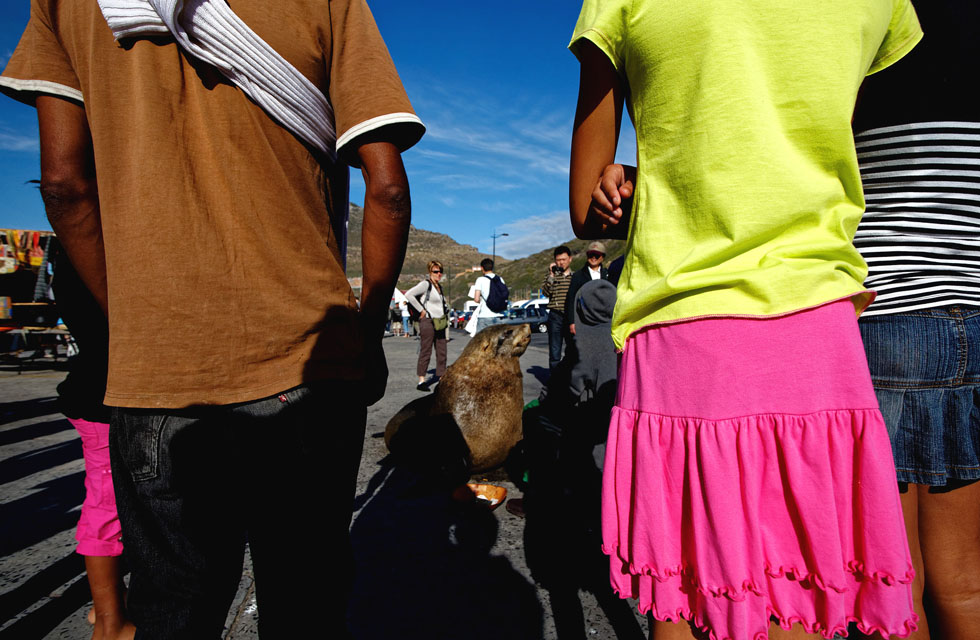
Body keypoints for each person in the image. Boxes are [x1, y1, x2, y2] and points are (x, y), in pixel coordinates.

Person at [0, 0, 423, 636]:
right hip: (308, 364)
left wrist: (135, 326)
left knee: (173, 608)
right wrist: (364, 334)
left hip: (157, 376)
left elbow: (63, 183)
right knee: (305, 603)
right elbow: (386, 188)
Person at [568, 2, 922, 639]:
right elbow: (840, 153)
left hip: (682, 320)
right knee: (798, 604)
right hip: (814, 323)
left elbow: (586, 208)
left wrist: (642, 181)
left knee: (685, 601)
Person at [852, 2, 980, 638]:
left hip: (890, 316)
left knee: (896, 585)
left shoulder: (870, 26)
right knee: (966, 582)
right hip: (977, 314)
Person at [52, 244, 134, 640]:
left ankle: (109, 610)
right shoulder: (89, 244)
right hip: (105, 393)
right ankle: (110, 623)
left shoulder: (68, 247)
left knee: (116, 506)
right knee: (107, 510)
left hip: (97, 387)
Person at [406, 260, 449, 391]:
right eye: (435, 271)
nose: (439, 274)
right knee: (426, 350)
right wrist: (422, 310)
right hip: (428, 321)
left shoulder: (439, 287)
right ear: (430, 272)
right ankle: (422, 380)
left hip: (440, 321)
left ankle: (441, 377)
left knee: (442, 351)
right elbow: (409, 295)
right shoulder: (426, 284)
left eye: (440, 271)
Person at [565, 241, 609, 337]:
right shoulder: (578, 276)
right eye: (591, 255)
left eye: (597, 255)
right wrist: (572, 322)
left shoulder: (608, 274)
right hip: (584, 320)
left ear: (602, 257)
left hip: (604, 319)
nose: (593, 258)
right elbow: (571, 299)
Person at [542, 245, 573, 370]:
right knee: (555, 351)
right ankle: (555, 380)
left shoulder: (575, 277)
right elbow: (545, 293)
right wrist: (551, 275)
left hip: (570, 316)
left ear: (570, 259)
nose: (561, 262)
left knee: (571, 348)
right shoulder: (552, 276)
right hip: (555, 316)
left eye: (564, 259)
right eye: (558, 260)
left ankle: (570, 378)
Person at [471, 258, 505, 333]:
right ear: (492, 267)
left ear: (482, 268)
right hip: (499, 316)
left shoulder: (480, 280)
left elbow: (476, 299)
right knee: (497, 343)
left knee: (481, 343)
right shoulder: (500, 279)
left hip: (485, 316)